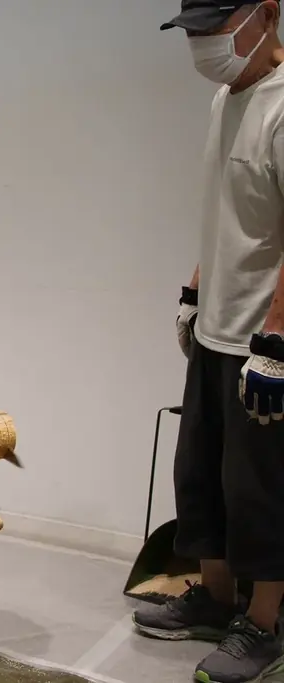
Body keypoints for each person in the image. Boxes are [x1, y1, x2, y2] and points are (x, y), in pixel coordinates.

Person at [135, 2, 284, 681]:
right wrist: (195, 291)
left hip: (265, 339)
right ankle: (218, 601)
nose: (200, 44)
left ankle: (264, 624)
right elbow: (224, 209)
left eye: (212, 29)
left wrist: (276, 340)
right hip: (218, 328)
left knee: (260, 488)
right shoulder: (226, 99)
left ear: (267, 15)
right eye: (191, 31)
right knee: (200, 475)